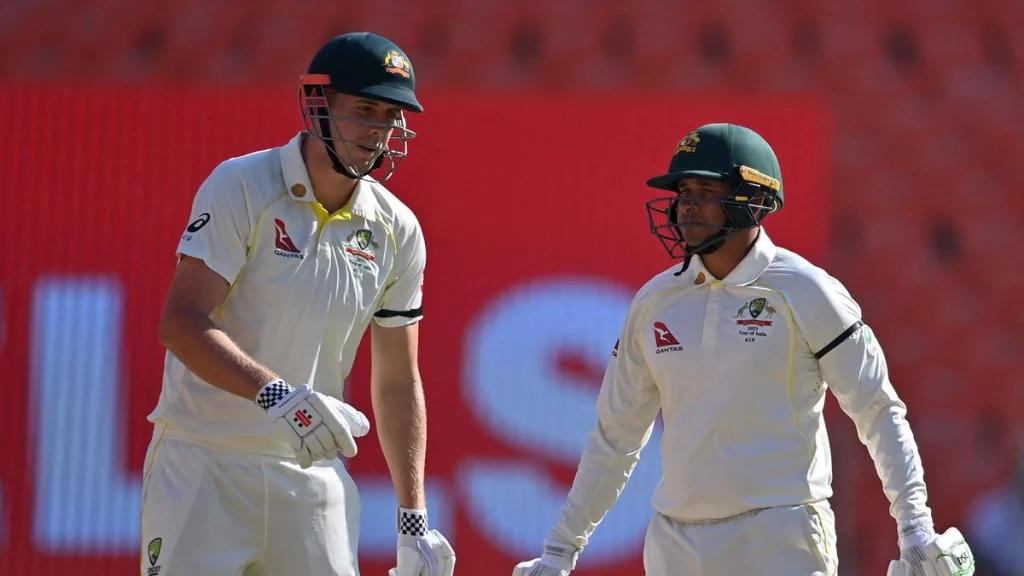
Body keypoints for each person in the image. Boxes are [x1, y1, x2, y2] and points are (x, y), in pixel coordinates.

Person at [512, 123, 975, 576]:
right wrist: (560, 550)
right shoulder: (655, 301)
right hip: (676, 542)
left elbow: (877, 410)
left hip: (780, 537)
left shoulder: (807, 290)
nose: (686, 207)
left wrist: (914, 526)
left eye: (703, 191)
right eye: (683, 192)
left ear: (754, 199)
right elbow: (616, 437)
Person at [141, 31, 454, 576]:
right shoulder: (242, 184)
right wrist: (279, 397)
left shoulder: (397, 228)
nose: (379, 130)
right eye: (364, 109)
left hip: (312, 474)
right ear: (318, 105)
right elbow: (182, 323)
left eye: (390, 115)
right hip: (204, 462)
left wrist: (413, 518)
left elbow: (399, 380)